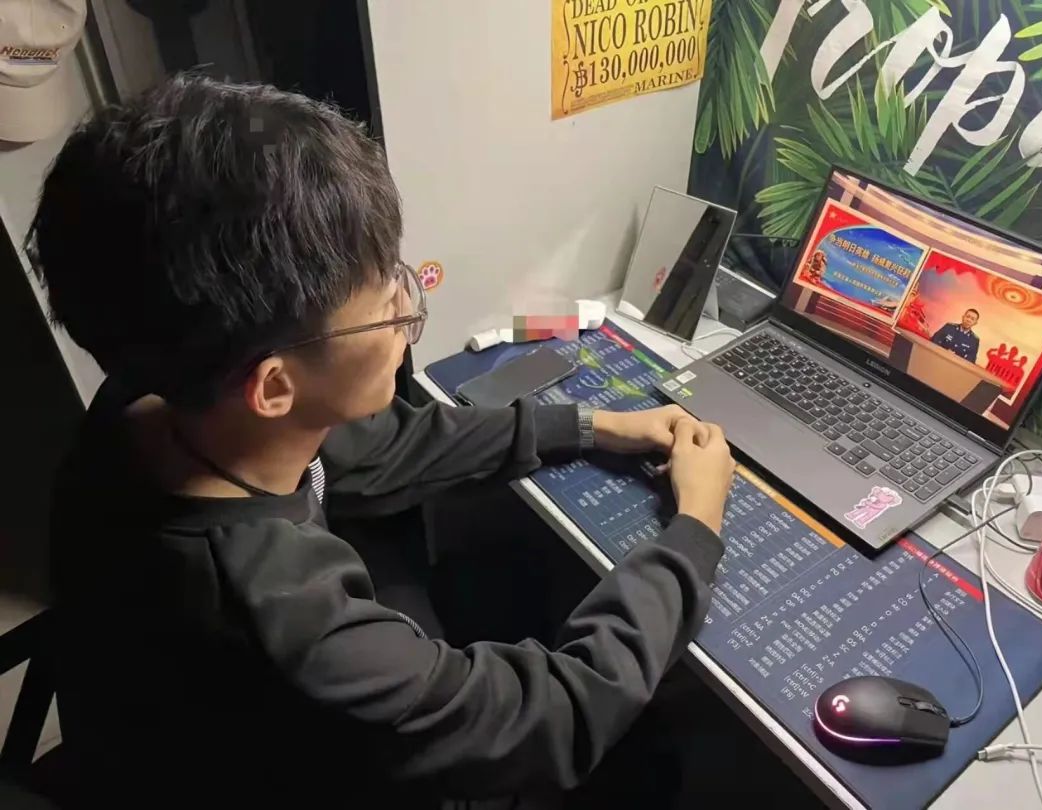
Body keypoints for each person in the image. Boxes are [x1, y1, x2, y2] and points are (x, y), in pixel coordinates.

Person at [29, 75, 736, 808]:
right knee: (646, 762)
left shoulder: (163, 396)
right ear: (274, 386)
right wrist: (694, 530)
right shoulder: (289, 626)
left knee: (502, 575)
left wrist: (590, 425)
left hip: (206, 730)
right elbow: (549, 719)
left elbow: (379, 446)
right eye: (385, 303)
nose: (405, 306)